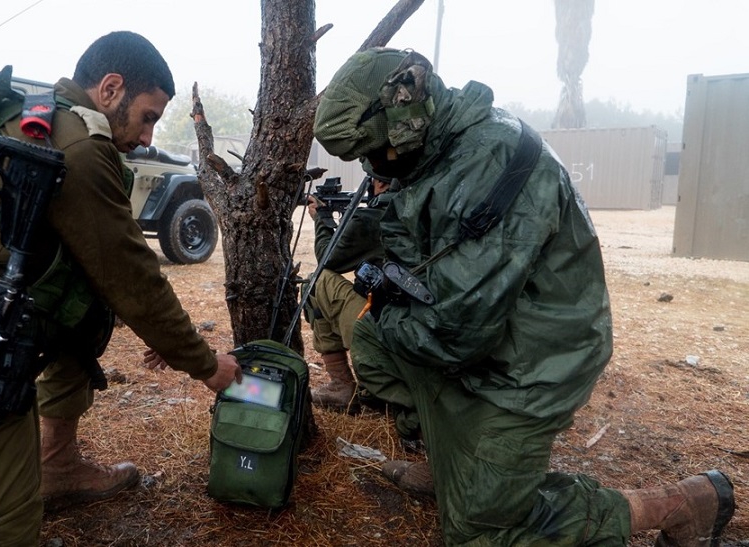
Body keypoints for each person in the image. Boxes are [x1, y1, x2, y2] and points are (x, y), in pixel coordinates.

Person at [312, 47, 734, 546]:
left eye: (376, 151)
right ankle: (453, 468)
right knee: (376, 346)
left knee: (479, 532)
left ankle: (677, 504)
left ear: (405, 111)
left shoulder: (485, 162)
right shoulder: (442, 147)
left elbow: (453, 334)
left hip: (532, 363)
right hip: (492, 337)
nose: (372, 163)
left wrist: (382, 308)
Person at [0, 31, 241, 546]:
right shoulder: (80, 148)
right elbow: (134, 276)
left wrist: (163, 339)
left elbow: (104, 279)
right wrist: (205, 364)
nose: (146, 138)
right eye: (148, 116)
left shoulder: (42, 113)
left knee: (89, 310)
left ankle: (57, 464)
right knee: (0, 533)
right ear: (111, 88)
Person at [304, 176, 390, 412]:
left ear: (381, 184)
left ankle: (342, 385)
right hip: (410, 325)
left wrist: (322, 220)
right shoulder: (426, 205)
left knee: (316, 282)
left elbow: (328, 259)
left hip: (386, 327)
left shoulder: (377, 216)